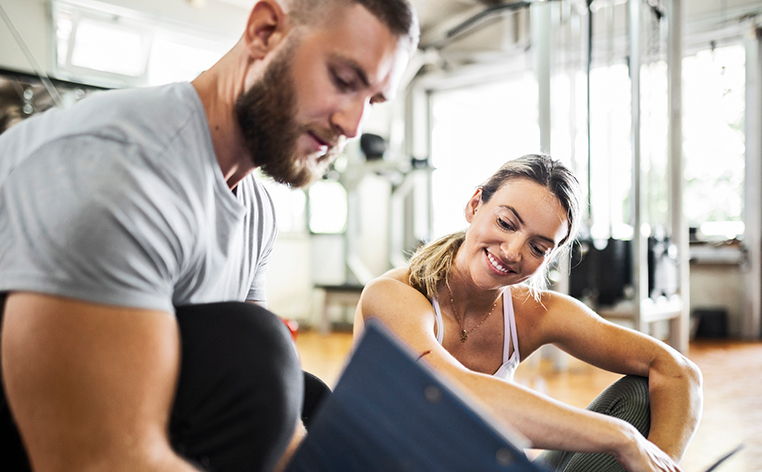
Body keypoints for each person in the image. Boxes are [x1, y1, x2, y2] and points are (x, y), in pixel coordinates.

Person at [0, 0, 418, 470]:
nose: (352, 125)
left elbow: (263, 390)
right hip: (49, 428)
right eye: (343, 81)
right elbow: (98, 460)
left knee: (309, 398)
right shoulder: (123, 170)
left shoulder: (255, 206)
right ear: (264, 32)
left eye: (373, 101)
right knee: (257, 350)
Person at [354, 154, 703, 472]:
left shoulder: (533, 313)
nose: (511, 251)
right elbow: (453, 391)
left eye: (537, 247)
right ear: (475, 205)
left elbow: (678, 372)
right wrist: (620, 437)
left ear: (548, 258)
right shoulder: (393, 295)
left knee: (639, 395)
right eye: (506, 223)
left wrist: (661, 461)